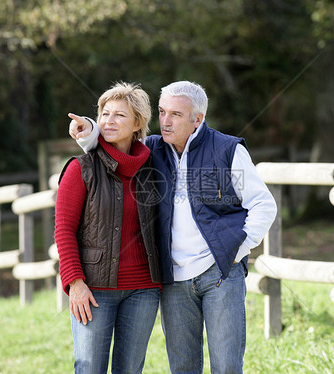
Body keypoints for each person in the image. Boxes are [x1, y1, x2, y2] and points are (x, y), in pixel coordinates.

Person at [69, 81, 277, 374]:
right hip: (174, 280)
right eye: (163, 112)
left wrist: (235, 250)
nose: (165, 121)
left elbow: (263, 206)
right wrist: (91, 131)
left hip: (219, 272)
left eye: (176, 115)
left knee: (227, 366)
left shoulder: (228, 150)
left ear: (198, 119)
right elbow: (115, 150)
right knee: (182, 367)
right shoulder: (153, 149)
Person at [55, 82, 163, 374]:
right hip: (94, 289)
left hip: (144, 289)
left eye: (119, 115)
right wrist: (74, 283)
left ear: (138, 123)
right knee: (89, 367)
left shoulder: (154, 168)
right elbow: (63, 230)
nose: (109, 121)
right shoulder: (82, 168)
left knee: (130, 369)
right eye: (105, 114)